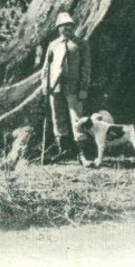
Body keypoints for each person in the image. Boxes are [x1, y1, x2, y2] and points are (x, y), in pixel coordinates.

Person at [40, 11, 91, 160]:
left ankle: (83, 152)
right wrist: (45, 85)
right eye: (63, 26)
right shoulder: (53, 45)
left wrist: (83, 88)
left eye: (69, 25)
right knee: (58, 118)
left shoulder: (81, 44)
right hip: (55, 88)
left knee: (77, 119)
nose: (67, 28)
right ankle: (63, 150)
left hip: (74, 88)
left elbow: (86, 68)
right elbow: (46, 68)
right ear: (58, 28)